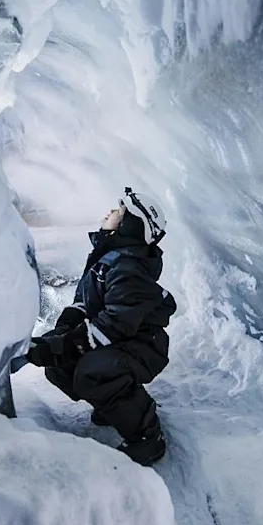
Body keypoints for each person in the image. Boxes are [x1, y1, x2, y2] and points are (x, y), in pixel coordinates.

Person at [25, 187, 177, 466]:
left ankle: (147, 437)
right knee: (61, 368)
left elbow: (115, 324)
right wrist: (59, 334)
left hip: (143, 346)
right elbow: (86, 304)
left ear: (133, 225)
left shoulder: (128, 266)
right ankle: (114, 406)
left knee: (94, 371)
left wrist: (64, 346)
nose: (111, 212)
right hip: (123, 343)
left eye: (120, 211)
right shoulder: (109, 259)